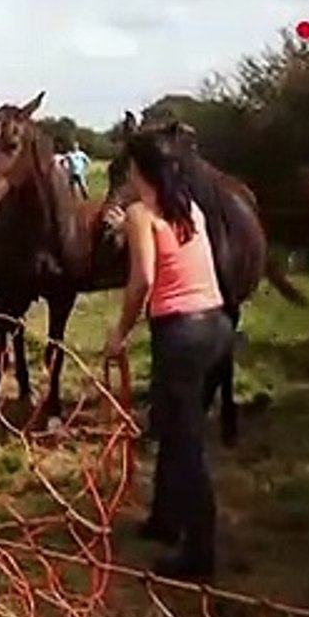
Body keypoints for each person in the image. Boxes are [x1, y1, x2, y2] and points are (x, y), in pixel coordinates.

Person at [101, 132, 233, 582]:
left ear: (137, 171)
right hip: (215, 326)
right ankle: (165, 521)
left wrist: (119, 333)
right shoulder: (187, 208)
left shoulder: (141, 213)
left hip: (180, 333)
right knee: (175, 426)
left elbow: (143, 280)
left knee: (186, 441)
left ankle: (199, 554)